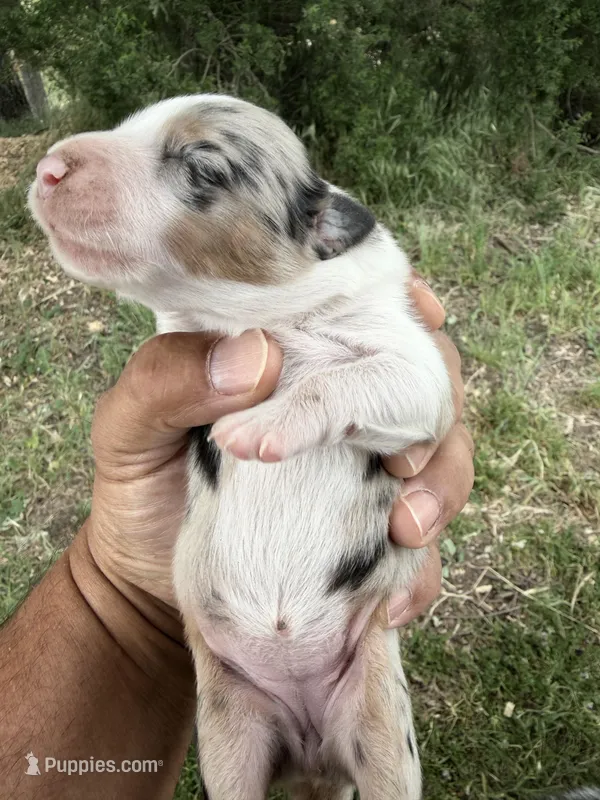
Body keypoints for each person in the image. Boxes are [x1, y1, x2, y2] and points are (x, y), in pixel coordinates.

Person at [0, 276, 474, 798]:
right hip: (245, 660)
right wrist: (125, 591)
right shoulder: (205, 308)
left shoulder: (340, 283)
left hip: (349, 648)